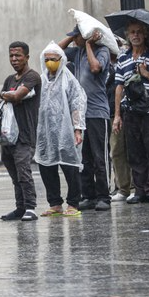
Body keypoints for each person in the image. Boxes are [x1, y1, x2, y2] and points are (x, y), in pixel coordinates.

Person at [113, 21, 149, 204]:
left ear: (145, 35)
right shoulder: (123, 58)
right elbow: (119, 86)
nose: (135, 35)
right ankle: (139, 190)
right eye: (132, 32)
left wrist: (146, 74)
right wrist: (117, 115)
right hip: (130, 111)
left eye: (139, 32)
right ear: (128, 36)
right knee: (134, 153)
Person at [58, 26, 112, 212]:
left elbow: (96, 67)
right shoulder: (77, 51)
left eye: (76, 36)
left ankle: (104, 196)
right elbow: (56, 53)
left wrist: (89, 43)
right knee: (84, 158)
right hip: (80, 114)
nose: (73, 40)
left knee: (100, 158)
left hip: (97, 113)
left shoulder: (101, 51)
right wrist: (74, 37)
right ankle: (88, 195)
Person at [34, 43, 87, 217]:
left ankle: (73, 203)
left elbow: (77, 103)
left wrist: (77, 129)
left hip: (66, 131)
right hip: (45, 132)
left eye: (53, 59)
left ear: (61, 60)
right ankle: (55, 203)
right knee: (46, 165)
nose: (50, 63)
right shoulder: (41, 80)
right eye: (47, 59)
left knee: (70, 166)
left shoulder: (68, 79)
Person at [0, 41, 41, 222]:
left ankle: (30, 207)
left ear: (27, 57)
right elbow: (5, 97)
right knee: (14, 174)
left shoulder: (32, 77)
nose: (14, 59)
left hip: (24, 134)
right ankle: (20, 207)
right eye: (11, 56)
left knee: (23, 171)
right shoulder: (10, 79)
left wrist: (7, 95)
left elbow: (16, 96)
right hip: (9, 136)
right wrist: (6, 95)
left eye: (18, 56)